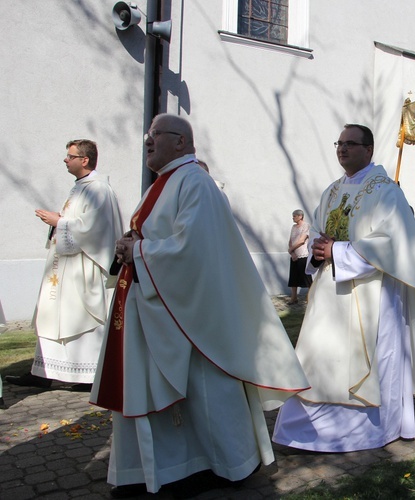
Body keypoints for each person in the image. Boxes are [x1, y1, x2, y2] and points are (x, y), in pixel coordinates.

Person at [90, 114, 309, 497]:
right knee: (167, 394)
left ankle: (229, 464)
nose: (147, 142)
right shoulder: (165, 182)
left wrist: (138, 250)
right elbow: (165, 237)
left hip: (194, 317)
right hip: (160, 308)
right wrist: (133, 243)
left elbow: (194, 250)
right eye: (147, 135)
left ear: (181, 142)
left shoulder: (194, 182)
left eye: (154, 135)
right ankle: (169, 468)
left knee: (208, 390)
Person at [272, 124, 415, 452]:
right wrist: (320, 251)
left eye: (351, 144)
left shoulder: (386, 191)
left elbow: (393, 243)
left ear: (369, 149)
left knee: (370, 359)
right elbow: (321, 234)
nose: (342, 149)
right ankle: (308, 428)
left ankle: (370, 430)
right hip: (330, 294)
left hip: (373, 293)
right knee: (322, 355)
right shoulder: (332, 190)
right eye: (339, 143)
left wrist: (337, 251)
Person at [6, 140, 123, 391]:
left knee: (79, 319)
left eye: (70, 156)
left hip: (83, 268)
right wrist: (57, 223)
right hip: (64, 266)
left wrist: (59, 221)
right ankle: (42, 371)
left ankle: (87, 376)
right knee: (51, 315)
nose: (65, 160)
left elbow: (94, 229)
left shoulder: (99, 189)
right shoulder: (80, 187)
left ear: (85, 160)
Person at [287, 209, 312, 304]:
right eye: (293, 216)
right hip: (294, 255)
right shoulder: (293, 227)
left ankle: (311, 297)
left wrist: (291, 249)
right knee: (293, 277)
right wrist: (292, 253)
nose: (293, 217)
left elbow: (302, 240)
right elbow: (290, 241)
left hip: (303, 254)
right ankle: (294, 298)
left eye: (294, 216)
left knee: (306, 277)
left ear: (300, 216)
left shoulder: (306, 226)